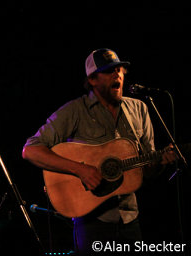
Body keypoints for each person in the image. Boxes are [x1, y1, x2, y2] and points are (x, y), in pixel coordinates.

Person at [22, 48, 177, 255]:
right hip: (91, 222)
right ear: (92, 80)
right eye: (109, 71)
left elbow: (146, 169)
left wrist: (161, 162)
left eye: (120, 69)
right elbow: (31, 150)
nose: (117, 74)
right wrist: (80, 170)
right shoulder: (75, 111)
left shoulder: (139, 109)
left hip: (130, 218)